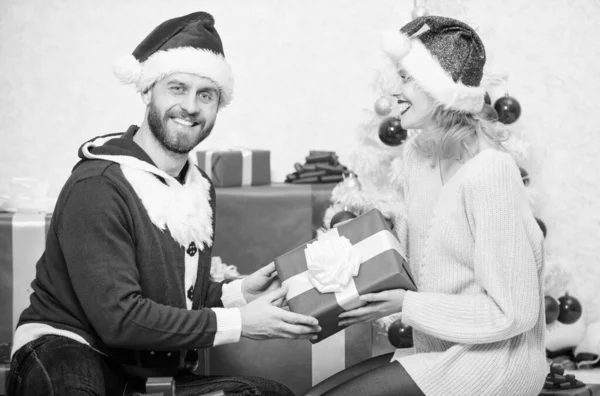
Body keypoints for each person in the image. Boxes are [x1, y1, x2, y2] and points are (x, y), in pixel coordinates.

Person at [6, 11, 321, 396]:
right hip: (69, 351)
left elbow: (168, 294)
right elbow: (119, 318)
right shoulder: (99, 185)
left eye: (205, 95)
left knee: (268, 394)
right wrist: (239, 321)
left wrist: (240, 293)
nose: (191, 106)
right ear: (147, 91)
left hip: (142, 372)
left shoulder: (198, 187)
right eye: (177, 88)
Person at [304, 15, 547, 396]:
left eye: (406, 77)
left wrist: (406, 305)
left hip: (495, 364)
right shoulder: (419, 154)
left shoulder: (490, 173)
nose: (394, 92)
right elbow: (419, 258)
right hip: (438, 350)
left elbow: (512, 314)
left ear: (442, 91)